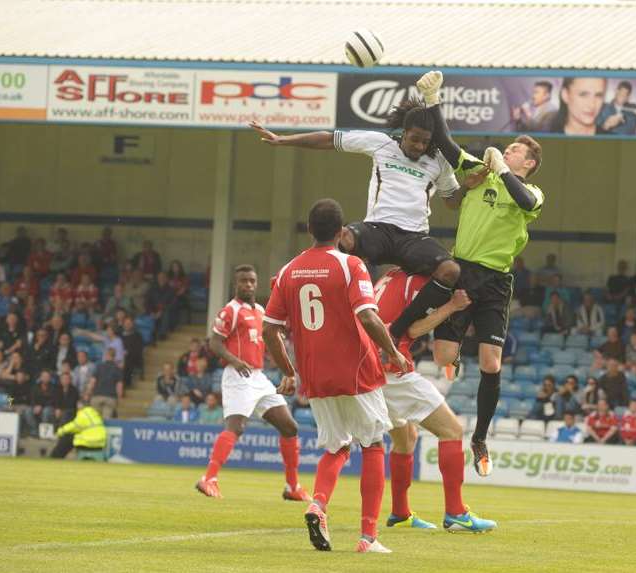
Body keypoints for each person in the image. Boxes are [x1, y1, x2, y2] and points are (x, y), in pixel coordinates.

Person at [415, 70, 545, 477]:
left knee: (492, 363)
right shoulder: (480, 171)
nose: (506, 152)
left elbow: (523, 199)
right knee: (443, 357)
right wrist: (433, 99)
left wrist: (502, 169)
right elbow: (445, 142)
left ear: (530, 162)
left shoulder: (531, 191)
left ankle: (480, 438)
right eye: (505, 148)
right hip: (462, 271)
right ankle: (453, 358)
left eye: (514, 150)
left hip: (496, 281)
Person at [250, 97, 461, 346]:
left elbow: (451, 200)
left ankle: (396, 330)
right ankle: (326, 305)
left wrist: (469, 184)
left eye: (425, 142)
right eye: (414, 139)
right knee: (343, 237)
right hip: (377, 229)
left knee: (451, 271)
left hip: (414, 238)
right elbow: (330, 139)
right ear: (403, 133)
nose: (419, 146)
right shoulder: (380, 144)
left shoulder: (438, 161)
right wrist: (284, 140)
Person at [262, 199, 408, 553]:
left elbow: (269, 330)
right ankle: (367, 537)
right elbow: (370, 318)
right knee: (373, 444)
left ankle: (318, 504)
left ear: (309, 229)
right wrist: (392, 352)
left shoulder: (288, 271)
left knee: (337, 445)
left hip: (316, 376)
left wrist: (289, 372)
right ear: (343, 233)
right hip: (355, 370)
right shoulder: (350, 265)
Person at [372, 266, 495, 532]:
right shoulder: (418, 282)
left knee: (406, 439)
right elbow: (413, 330)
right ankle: (456, 513)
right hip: (393, 371)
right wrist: (452, 305)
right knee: (452, 430)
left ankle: (400, 513)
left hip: (370, 368)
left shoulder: (389, 275)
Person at [196, 265, 310, 506]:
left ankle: (293, 486)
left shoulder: (259, 310)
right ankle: (208, 479)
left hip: (258, 377)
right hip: (237, 375)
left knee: (290, 427)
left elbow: (270, 341)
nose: (248, 285)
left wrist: (287, 370)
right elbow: (214, 343)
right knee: (236, 427)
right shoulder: (230, 311)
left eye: (251, 281)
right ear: (235, 284)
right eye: (243, 281)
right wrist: (235, 361)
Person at [86, 348, 124, 420]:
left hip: (97, 396)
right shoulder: (117, 369)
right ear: (114, 356)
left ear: (106, 355)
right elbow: (119, 386)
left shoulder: (99, 367)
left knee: (95, 419)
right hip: (110, 398)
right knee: (107, 420)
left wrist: (88, 392)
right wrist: (119, 398)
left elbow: (92, 382)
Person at [25, 370, 55, 436]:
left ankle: (44, 432)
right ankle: (34, 431)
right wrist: (35, 406)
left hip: (49, 407)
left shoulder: (54, 387)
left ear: (50, 378)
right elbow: (32, 399)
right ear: (40, 377)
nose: (45, 378)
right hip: (36, 407)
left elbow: (53, 400)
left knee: (46, 411)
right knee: (28, 411)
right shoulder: (35, 387)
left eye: (47, 376)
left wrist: (41, 406)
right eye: (43, 376)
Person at [121, 316, 144, 388]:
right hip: (120, 357)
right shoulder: (119, 335)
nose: (127, 325)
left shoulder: (137, 336)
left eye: (129, 323)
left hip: (132, 358)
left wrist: (127, 352)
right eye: (126, 323)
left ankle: (125, 385)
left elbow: (138, 350)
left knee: (127, 362)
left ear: (132, 324)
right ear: (123, 324)